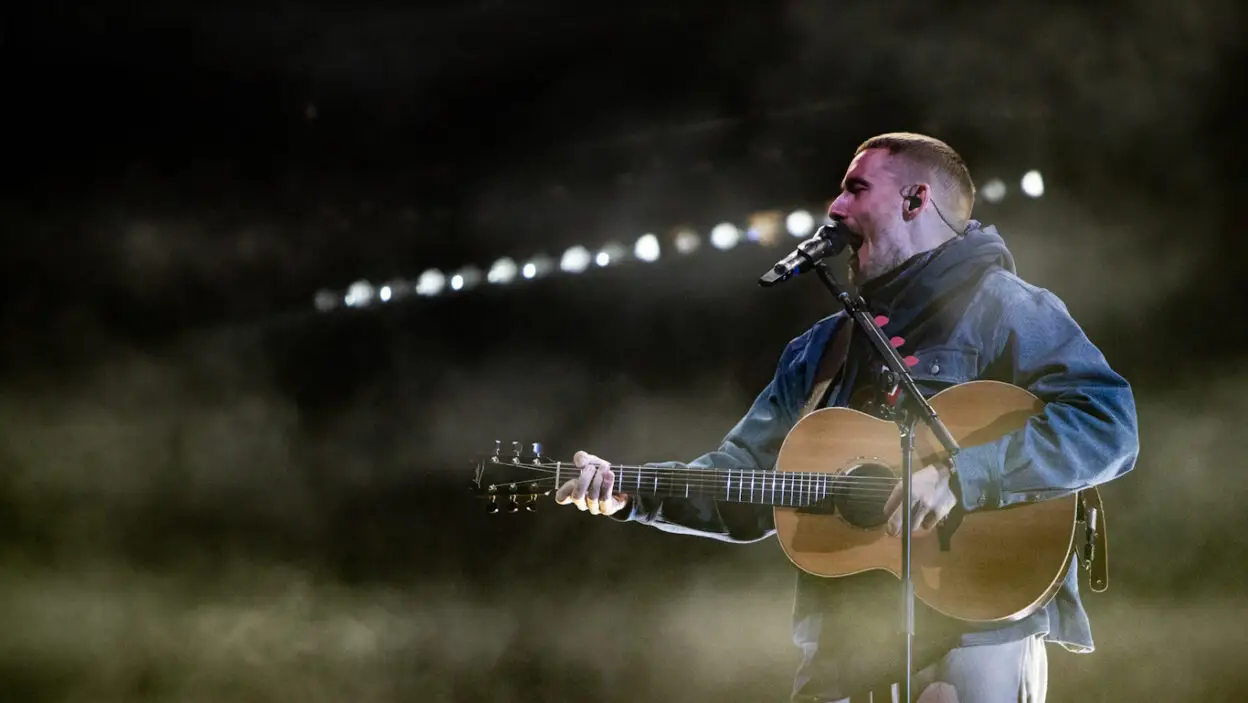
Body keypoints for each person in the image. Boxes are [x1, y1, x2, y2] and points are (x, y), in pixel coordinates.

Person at [554, 132, 1139, 702]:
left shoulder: (1004, 306)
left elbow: (1109, 425)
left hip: (975, 624)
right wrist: (631, 493)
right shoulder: (818, 349)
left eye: (855, 189)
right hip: (841, 642)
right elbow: (746, 479)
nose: (835, 208)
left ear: (915, 200)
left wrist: (963, 474)